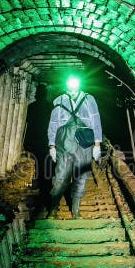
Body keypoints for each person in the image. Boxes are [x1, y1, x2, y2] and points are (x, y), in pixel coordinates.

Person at [46, 76, 102, 218]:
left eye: (75, 85)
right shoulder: (59, 101)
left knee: (81, 177)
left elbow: (96, 121)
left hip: (84, 143)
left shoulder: (89, 99)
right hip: (64, 143)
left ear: (79, 85)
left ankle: (76, 210)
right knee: (60, 177)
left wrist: (97, 144)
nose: (72, 88)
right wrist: (52, 146)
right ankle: (53, 208)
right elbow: (53, 124)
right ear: (66, 86)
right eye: (69, 85)